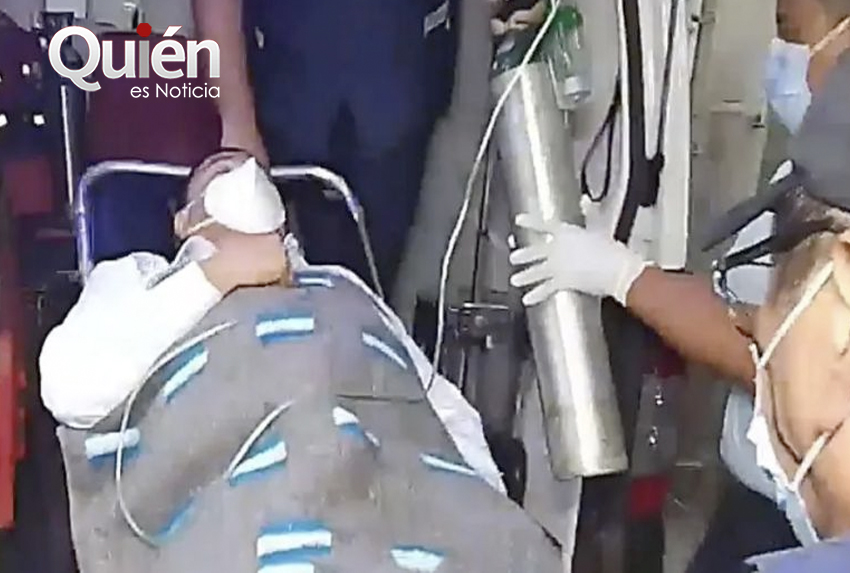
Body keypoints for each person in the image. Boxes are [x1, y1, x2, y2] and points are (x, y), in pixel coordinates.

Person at [41, 150, 564, 572]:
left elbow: (435, 407)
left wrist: (484, 508)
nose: (244, 171)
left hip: (387, 499)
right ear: (184, 221)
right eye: (219, 169)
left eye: (256, 170)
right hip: (243, 502)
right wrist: (216, 276)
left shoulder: (339, 283)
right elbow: (72, 389)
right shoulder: (139, 278)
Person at [508, 0, 850, 567]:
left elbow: (761, 348)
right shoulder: (814, 172)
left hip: (789, 516)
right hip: (776, 504)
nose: (779, 53)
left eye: (787, 30)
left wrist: (621, 276)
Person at [191, 0, 459, 299]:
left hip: (400, 80)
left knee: (377, 272)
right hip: (288, 89)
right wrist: (238, 123)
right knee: (270, 277)